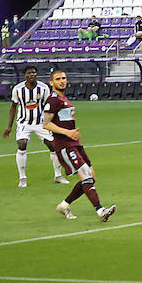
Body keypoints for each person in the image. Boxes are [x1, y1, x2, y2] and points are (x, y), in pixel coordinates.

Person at [44, 70, 116, 222]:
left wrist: (71, 135)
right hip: (64, 145)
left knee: (91, 177)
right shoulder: (53, 100)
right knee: (85, 175)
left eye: (64, 78)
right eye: (58, 79)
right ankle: (100, 210)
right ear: (52, 83)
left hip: (74, 144)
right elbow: (46, 124)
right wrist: (67, 133)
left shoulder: (64, 99)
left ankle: (64, 205)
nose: (62, 81)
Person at [2, 66, 67, 188]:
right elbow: (13, 107)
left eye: (34, 72)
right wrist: (9, 127)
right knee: (22, 143)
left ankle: (58, 176)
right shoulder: (18, 89)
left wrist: (54, 122)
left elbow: (50, 105)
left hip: (41, 123)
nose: (32, 74)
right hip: (24, 122)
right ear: (25, 75)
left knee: (53, 145)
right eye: (29, 73)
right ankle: (22, 178)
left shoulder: (43, 88)